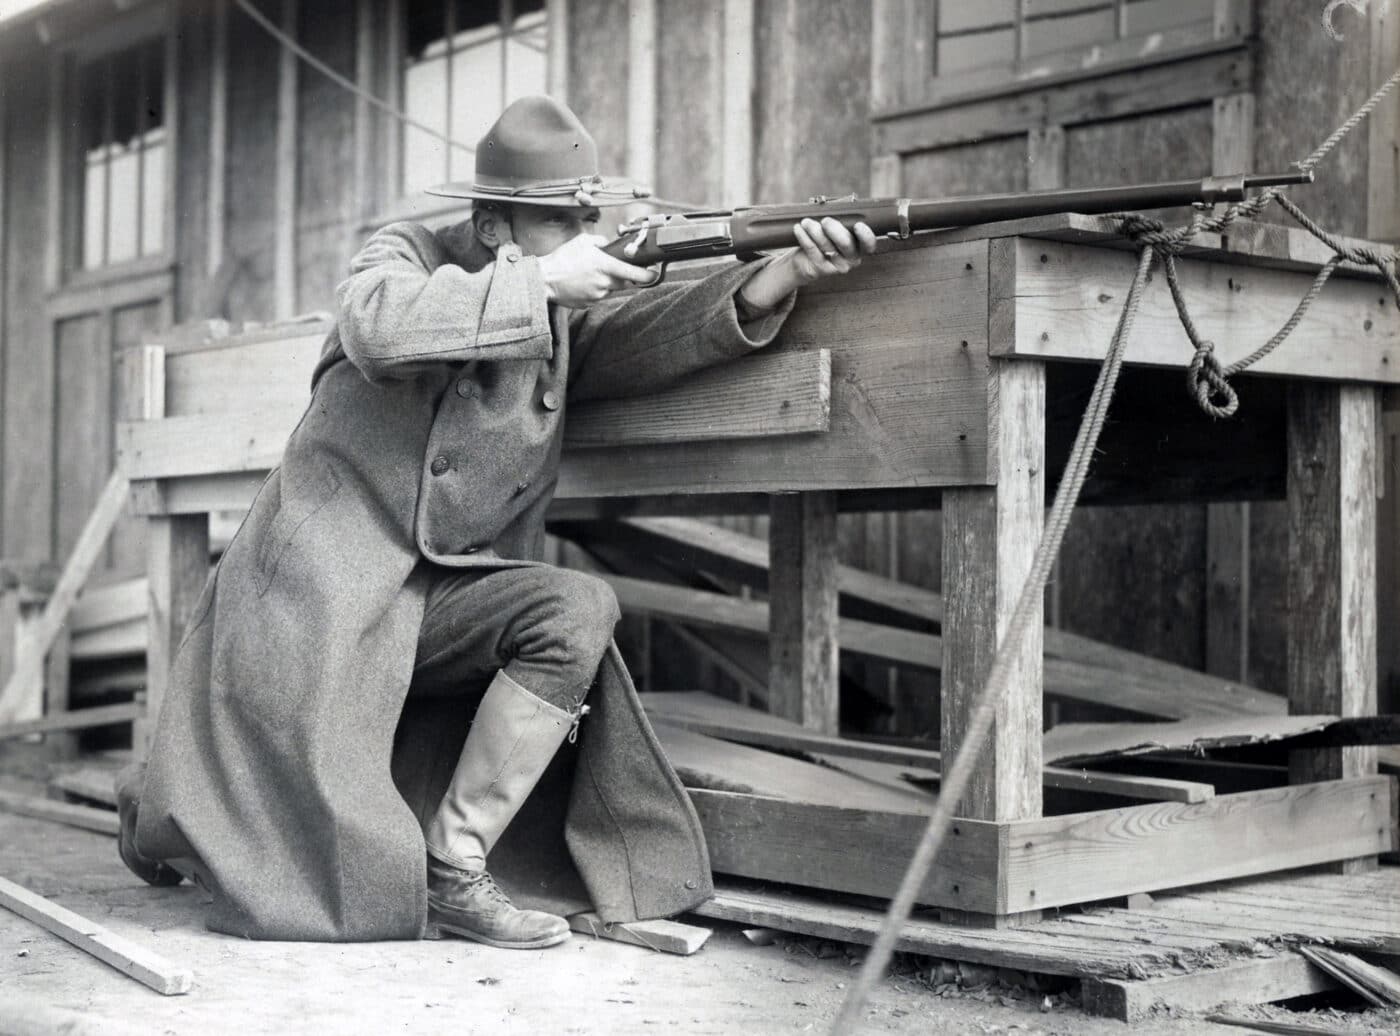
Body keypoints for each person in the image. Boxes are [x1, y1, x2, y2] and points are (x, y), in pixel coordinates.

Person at [117, 95, 876, 948]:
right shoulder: (406, 255)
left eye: (586, 218)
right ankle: (162, 801)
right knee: (242, 829)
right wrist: (544, 279)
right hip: (315, 599)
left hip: (434, 600)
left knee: (575, 610)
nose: (582, 237)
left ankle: (455, 870)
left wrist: (784, 273)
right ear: (489, 225)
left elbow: (656, 335)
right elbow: (373, 324)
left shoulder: (556, 314)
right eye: (558, 223)